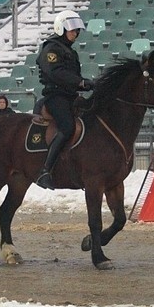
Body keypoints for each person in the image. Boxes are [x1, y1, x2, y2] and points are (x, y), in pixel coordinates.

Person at [34, 10, 95, 190]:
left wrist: (86, 85)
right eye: (72, 30)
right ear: (61, 28)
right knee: (68, 127)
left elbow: (73, 75)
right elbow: (55, 72)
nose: (75, 33)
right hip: (55, 97)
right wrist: (80, 82)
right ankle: (45, 170)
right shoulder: (51, 49)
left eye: (77, 31)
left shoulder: (70, 51)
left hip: (70, 96)